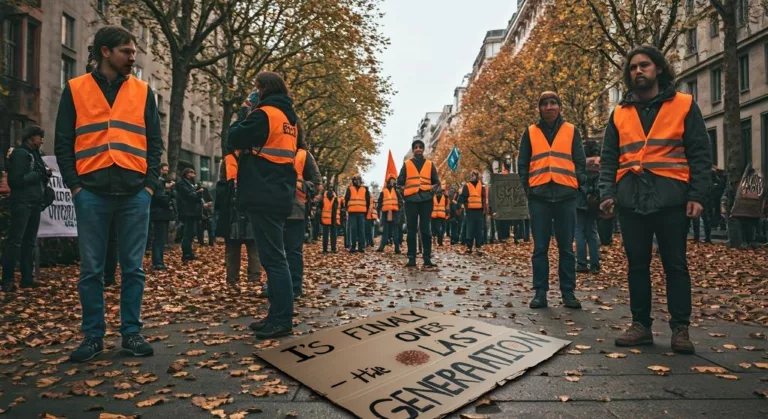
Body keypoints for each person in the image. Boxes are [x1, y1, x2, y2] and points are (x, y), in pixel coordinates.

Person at [54, 26, 162, 362]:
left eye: (133, 52)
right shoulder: (74, 89)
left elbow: (154, 143)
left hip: (134, 193)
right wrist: (76, 187)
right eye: (126, 52)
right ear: (104, 51)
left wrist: (148, 186)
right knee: (91, 270)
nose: (132, 58)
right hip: (92, 192)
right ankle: (93, 337)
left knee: (133, 269)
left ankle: (131, 333)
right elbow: (63, 143)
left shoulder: (144, 92)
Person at [599, 45, 711, 354]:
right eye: (633, 67)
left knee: (675, 264)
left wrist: (698, 195)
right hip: (631, 200)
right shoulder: (619, 113)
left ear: (658, 69)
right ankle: (641, 326)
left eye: (644, 65)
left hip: (671, 199)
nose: (638, 71)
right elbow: (609, 159)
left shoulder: (685, 105)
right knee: (637, 264)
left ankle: (680, 329)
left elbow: (700, 153)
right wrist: (607, 193)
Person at [228, 71, 297, 340]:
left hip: (262, 191)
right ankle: (277, 315)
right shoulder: (289, 118)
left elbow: (233, 137)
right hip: (279, 192)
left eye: (255, 88)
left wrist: (244, 110)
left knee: (274, 259)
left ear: (263, 89)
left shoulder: (264, 114)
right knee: (275, 257)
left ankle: (281, 320)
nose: (252, 92)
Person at [518, 91, 586, 310]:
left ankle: (568, 293)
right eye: (545, 104)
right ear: (539, 108)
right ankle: (540, 292)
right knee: (540, 247)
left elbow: (580, 162)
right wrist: (529, 189)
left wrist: (577, 185)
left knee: (566, 247)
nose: (549, 107)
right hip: (539, 197)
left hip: (566, 195)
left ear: (559, 106)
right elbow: (523, 164)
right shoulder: (530, 133)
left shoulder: (571, 131)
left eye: (553, 103)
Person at [271, 130, 320, 299]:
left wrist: (304, 187)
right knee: (274, 251)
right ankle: (274, 286)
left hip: (296, 209)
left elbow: (317, 181)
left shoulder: (304, 155)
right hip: (273, 207)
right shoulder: (271, 150)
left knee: (293, 251)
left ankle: (295, 287)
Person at [2, 125, 51, 292]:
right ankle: (7, 280)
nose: (41, 140)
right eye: (39, 136)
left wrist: (44, 177)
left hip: (33, 202)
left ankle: (27, 278)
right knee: (15, 241)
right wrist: (40, 174)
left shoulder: (34, 154)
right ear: (31, 138)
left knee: (28, 242)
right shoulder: (21, 154)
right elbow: (16, 181)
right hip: (22, 203)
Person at [215, 151, 262, 287]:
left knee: (233, 248)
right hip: (248, 209)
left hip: (233, 210)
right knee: (253, 247)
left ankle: (233, 279)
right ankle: (253, 278)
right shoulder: (255, 157)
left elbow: (221, 185)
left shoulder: (228, 159)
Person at [397, 139, 440, 267]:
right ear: (413, 150)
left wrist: (432, 192)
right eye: (416, 147)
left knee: (426, 229)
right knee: (411, 230)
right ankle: (411, 258)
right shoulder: (407, 164)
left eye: (420, 147)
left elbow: (437, 182)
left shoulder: (430, 164)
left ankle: (427, 258)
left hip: (426, 200)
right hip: (411, 200)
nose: (418, 149)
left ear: (423, 149)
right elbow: (399, 184)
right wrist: (405, 196)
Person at [575, 140, 601, 274]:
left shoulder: (579, 164)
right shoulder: (598, 164)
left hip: (579, 201)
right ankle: (595, 264)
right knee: (592, 232)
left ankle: (581, 263)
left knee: (579, 232)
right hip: (594, 202)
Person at [149, 163, 175, 270]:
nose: (166, 172)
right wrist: (168, 192)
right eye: (165, 170)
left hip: (161, 213)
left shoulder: (160, 182)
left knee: (160, 238)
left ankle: (159, 261)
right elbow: (160, 198)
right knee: (159, 238)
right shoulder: (158, 182)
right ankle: (158, 262)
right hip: (159, 213)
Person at [175, 168, 203, 263]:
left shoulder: (191, 184)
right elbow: (189, 195)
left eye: (194, 173)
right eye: (191, 173)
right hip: (187, 212)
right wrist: (198, 193)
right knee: (188, 233)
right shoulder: (182, 183)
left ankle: (189, 252)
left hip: (193, 212)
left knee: (191, 233)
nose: (193, 175)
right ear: (186, 174)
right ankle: (186, 254)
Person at [458, 170, 486, 255]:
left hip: (479, 211)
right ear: (471, 176)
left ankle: (478, 247)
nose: (475, 177)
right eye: (473, 175)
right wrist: (461, 206)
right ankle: (469, 247)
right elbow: (462, 197)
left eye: (476, 175)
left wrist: (484, 208)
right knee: (470, 230)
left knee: (478, 230)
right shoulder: (467, 186)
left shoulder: (481, 186)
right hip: (470, 211)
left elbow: (484, 197)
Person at [377, 174, 403, 253]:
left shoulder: (397, 192)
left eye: (393, 180)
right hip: (385, 214)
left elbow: (401, 202)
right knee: (385, 231)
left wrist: (398, 211)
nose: (392, 181)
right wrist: (379, 213)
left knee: (395, 232)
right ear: (388, 181)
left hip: (395, 214)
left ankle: (397, 248)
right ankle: (381, 247)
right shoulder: (383, 192)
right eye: (391, 180)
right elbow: (379, 203)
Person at [344, 175, 370, 253]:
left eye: (359, 180)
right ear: (353, 181)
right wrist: (347, 209)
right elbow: (346, 200)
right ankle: (353, 246)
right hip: (352, 213)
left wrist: (366, 212)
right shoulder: (350, 189)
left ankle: (361, 247)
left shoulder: (365, 189)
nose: (357, 182)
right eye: (356, 180)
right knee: (354, 230)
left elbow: (368, 202)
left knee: (361, 230)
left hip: (361, 213)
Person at [320, 188, 340, 253]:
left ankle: (325, 249)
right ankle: (333, 249)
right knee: (333, 234)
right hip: (333, 218)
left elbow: (320, 206)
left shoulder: (324, 197)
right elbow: (336, 207)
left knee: (325, 234)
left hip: (325, 218)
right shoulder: (335, 198)